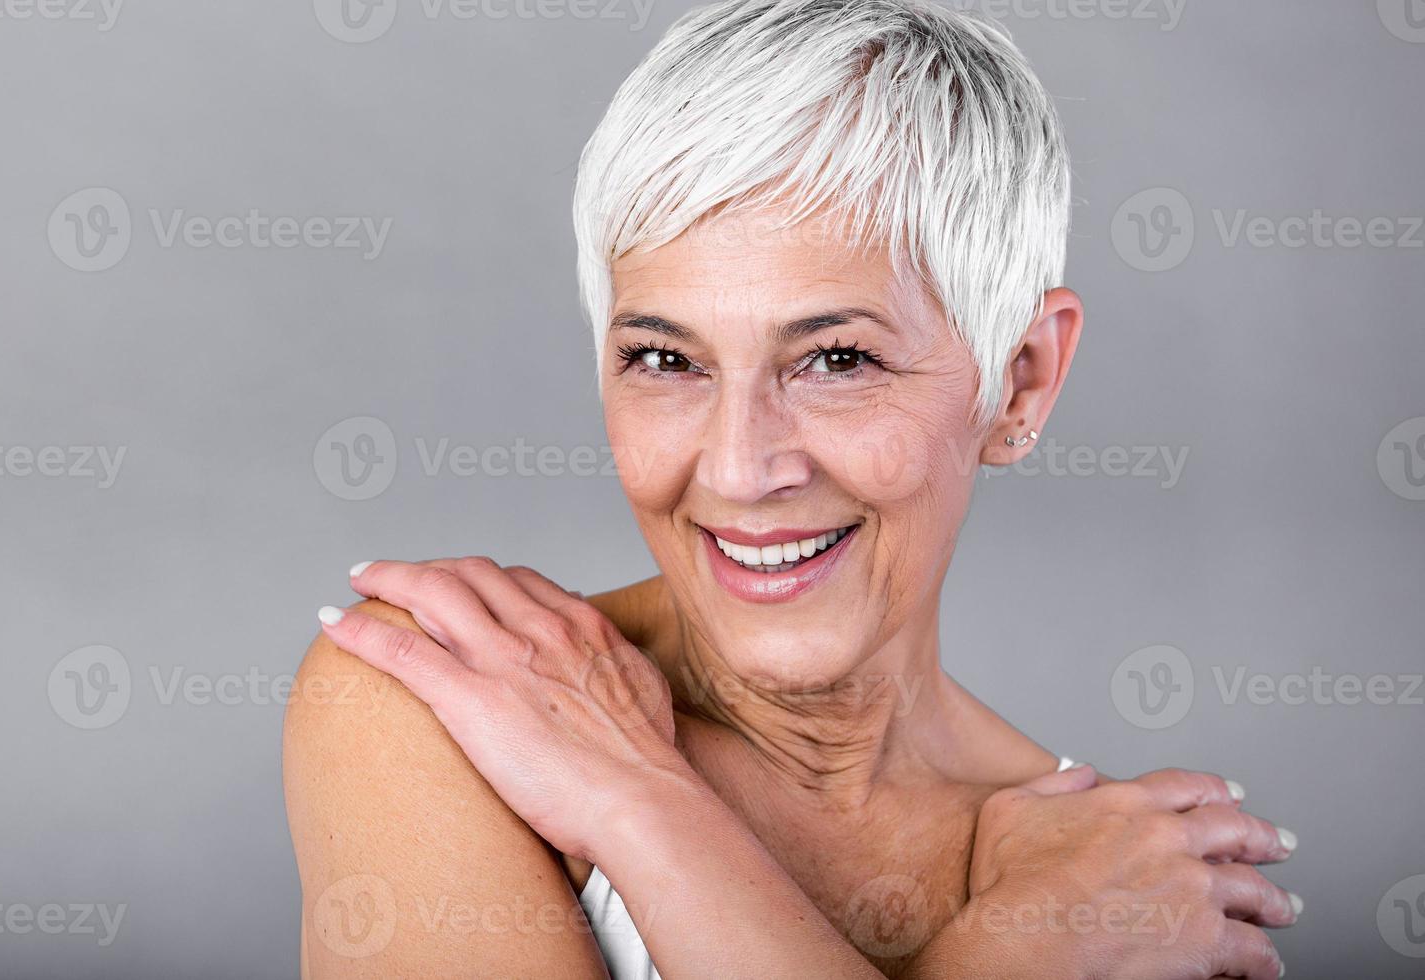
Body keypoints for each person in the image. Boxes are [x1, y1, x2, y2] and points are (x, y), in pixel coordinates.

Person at [285, 0, 1300, 975]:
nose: (737, 467)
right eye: (665, 359)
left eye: (838, 360)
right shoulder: (443, 705)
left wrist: (635, 802)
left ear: (1020, 380)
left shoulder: (1117, 878)